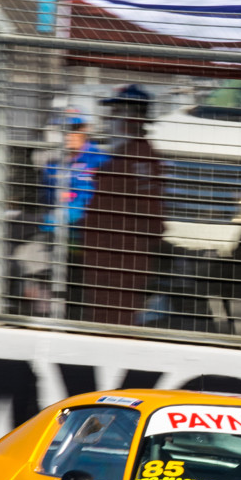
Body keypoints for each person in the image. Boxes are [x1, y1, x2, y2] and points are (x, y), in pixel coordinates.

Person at [80, 85, 163, 325]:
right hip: (105, 257)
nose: (109, 120)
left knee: (114, 320)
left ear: (132, 118)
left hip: (120, 259)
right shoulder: (123, 157)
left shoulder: (139, 158)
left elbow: (150, 213)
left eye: (115, 112)